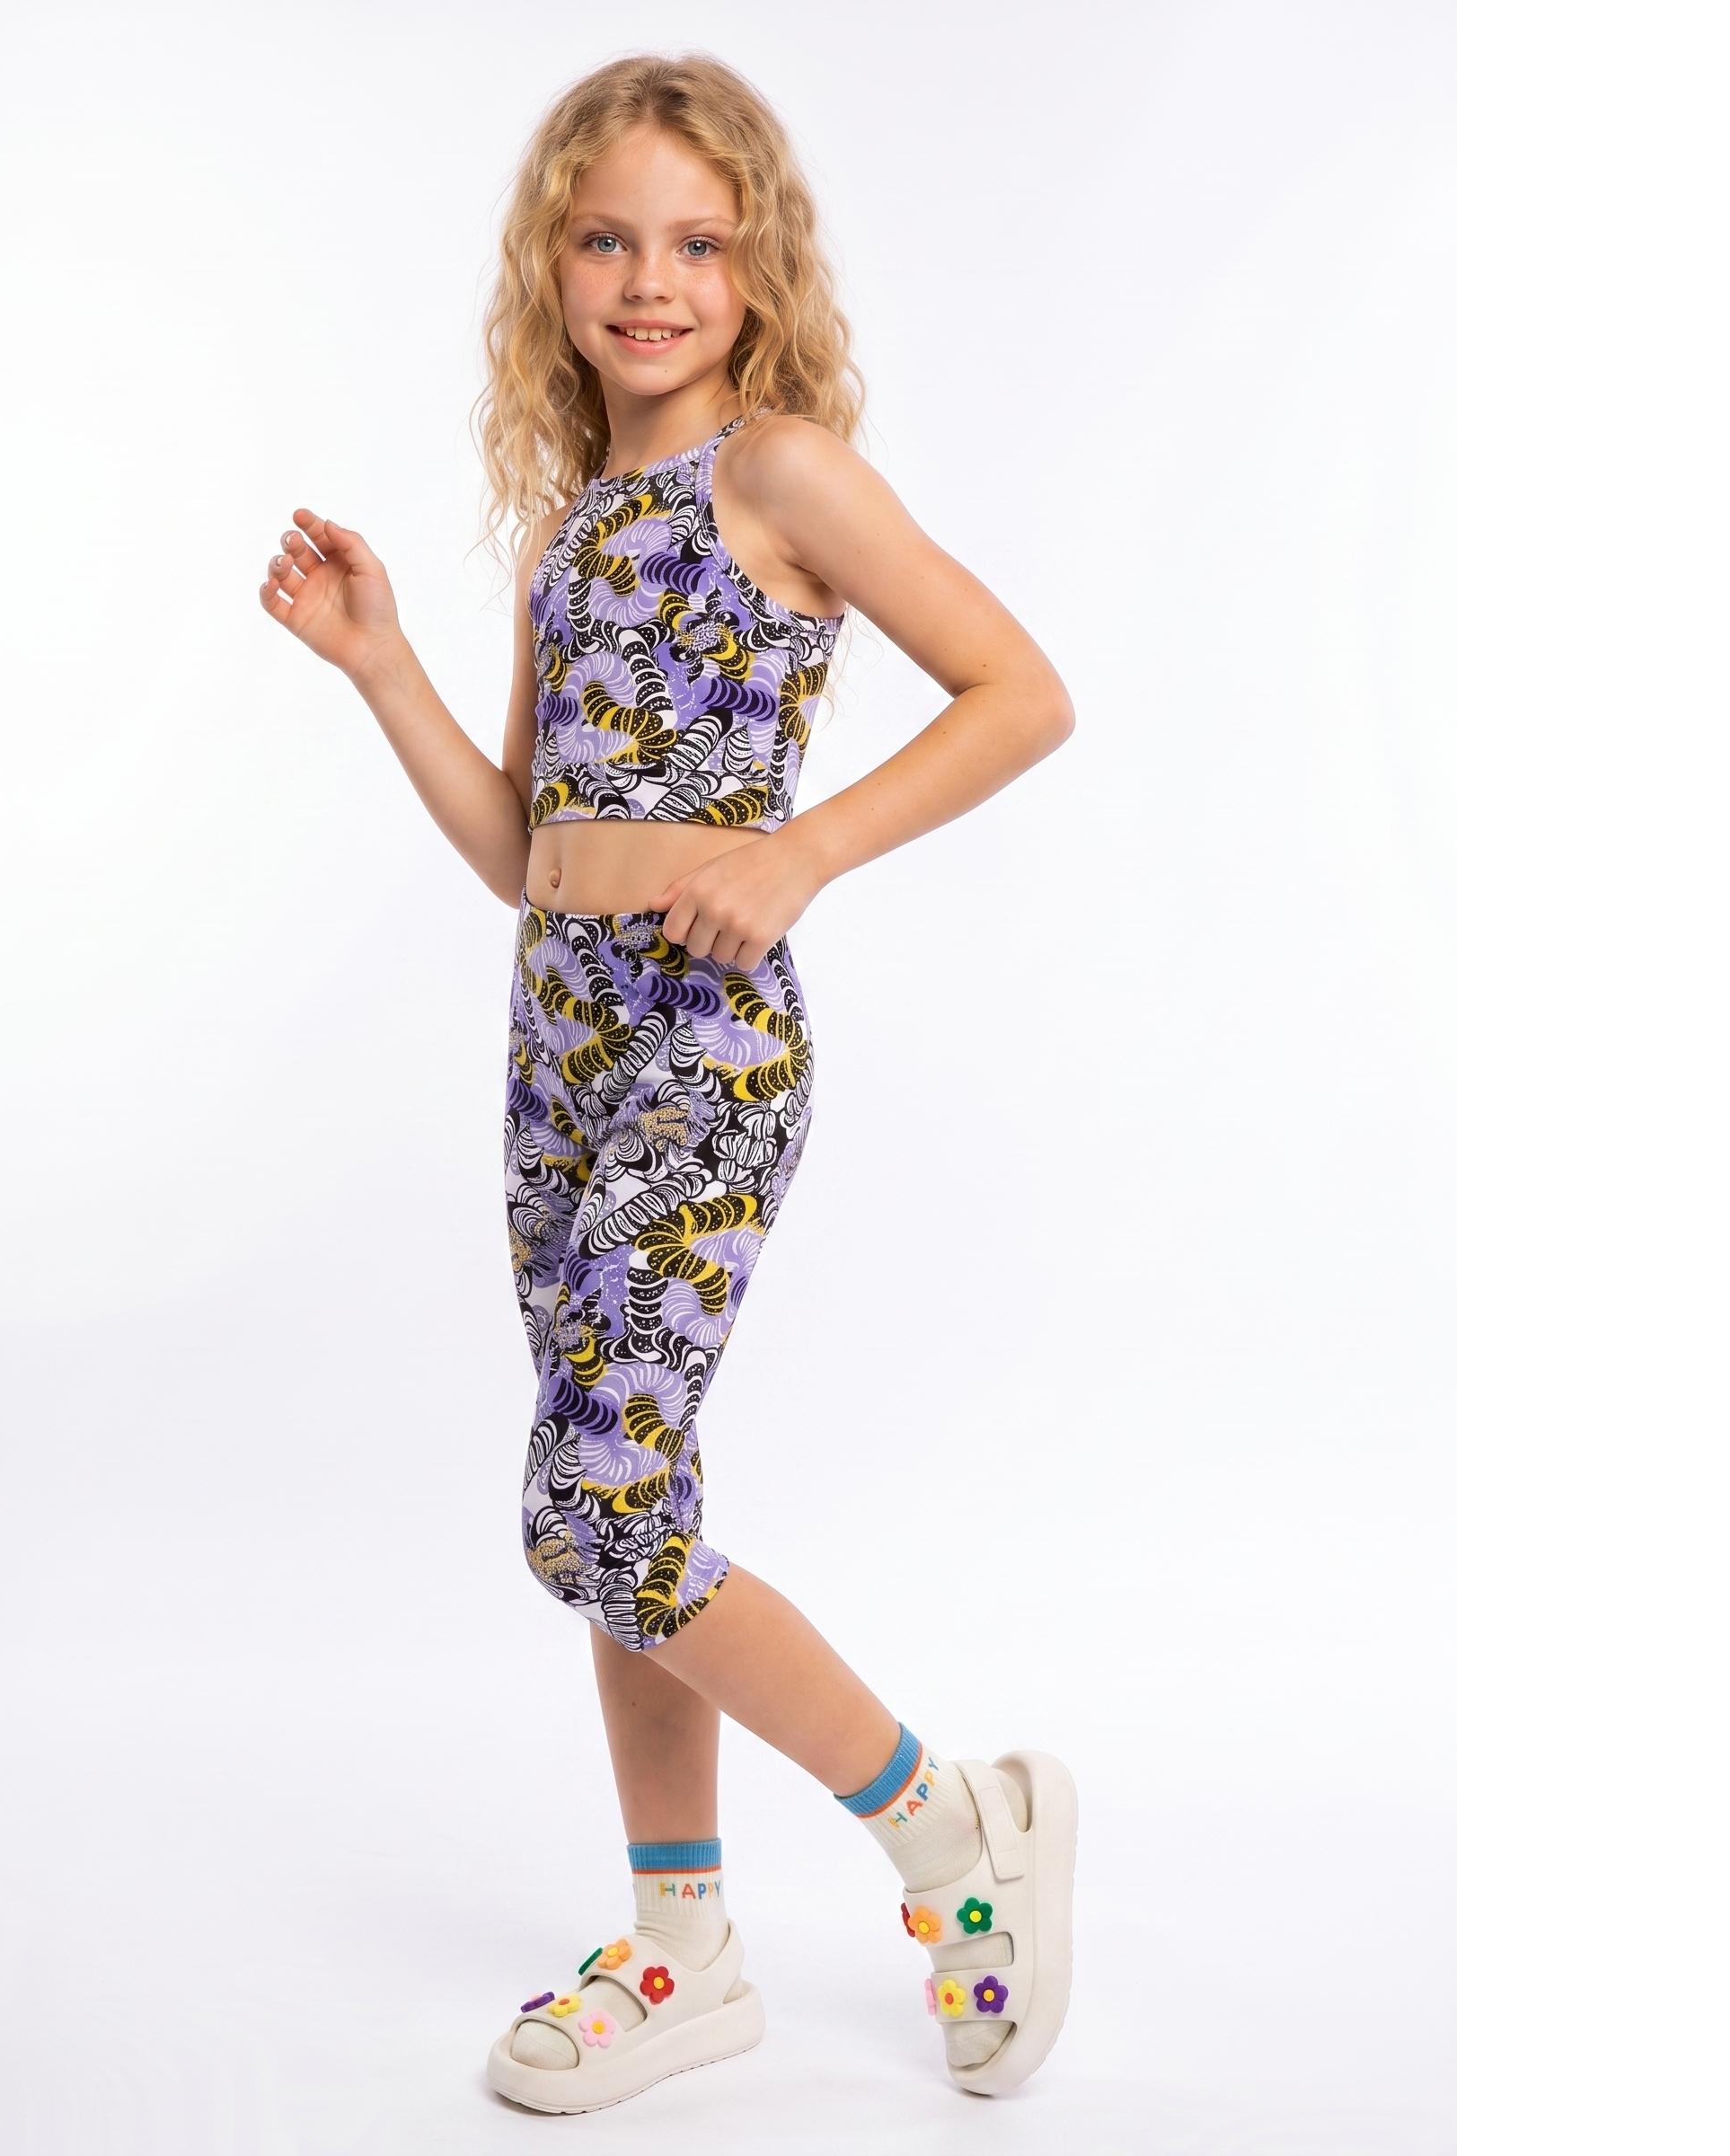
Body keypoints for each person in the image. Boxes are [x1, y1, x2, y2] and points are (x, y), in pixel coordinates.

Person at [260, 51, 1077, 2113]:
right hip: (557, 1046)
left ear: (755, 268)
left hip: (708, 1042)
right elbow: (524, 847)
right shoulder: (567, 526)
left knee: (593, 1509)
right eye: (609, 240)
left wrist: (802, 853)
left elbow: (1023, 692)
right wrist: (380, 663)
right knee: (631, 1510)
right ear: (551, 265)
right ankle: (685, 1941)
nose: (650, 281)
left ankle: (946, 1823)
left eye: (697, 244)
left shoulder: (778, 477)